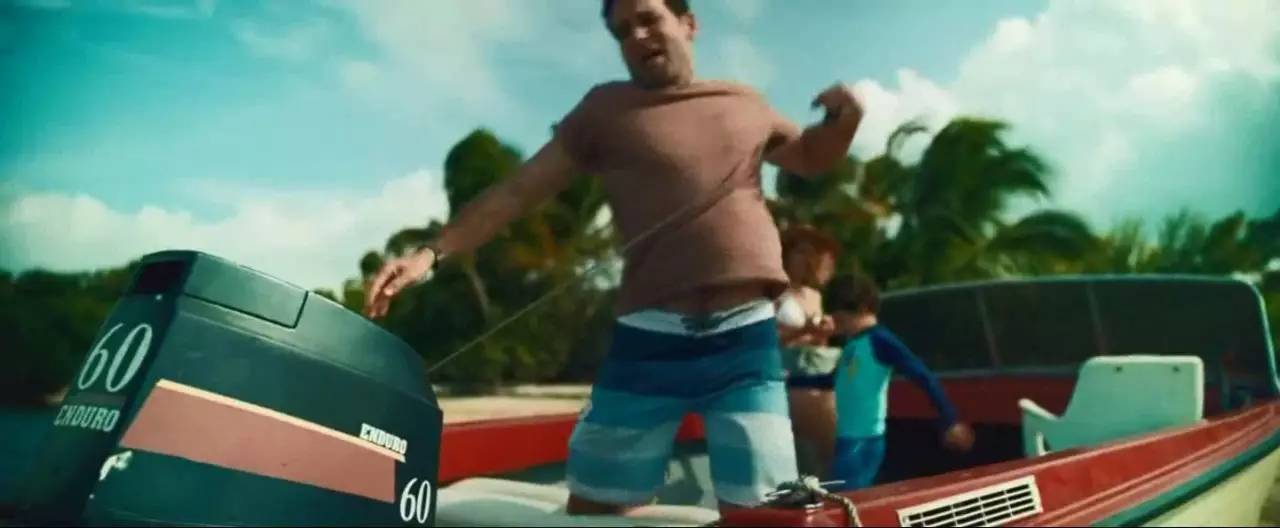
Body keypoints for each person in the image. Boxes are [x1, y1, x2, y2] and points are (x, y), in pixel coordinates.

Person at [364, 0, 864, 514]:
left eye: (649, 19)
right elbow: (517, 191)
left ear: (688, 24)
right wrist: (430, 254)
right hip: (647, 342)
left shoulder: (744, 101)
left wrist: (846, 120)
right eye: (623, 31)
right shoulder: (604, 111)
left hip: (746, 342)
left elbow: (812, 156)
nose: (637, 36)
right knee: (594, 510)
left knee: (763, 513)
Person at [824, 273, 975, 491]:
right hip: (846, 436)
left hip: (864, 438)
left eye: (842, 318)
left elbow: (922, 375)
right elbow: (832, 380)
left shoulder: (880, 340)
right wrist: (790, 380)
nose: (839, 324)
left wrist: (949, 419)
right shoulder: (852, 344)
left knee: (843, 496)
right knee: (844, 493)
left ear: (863, 308)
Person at [774, 225, 841, 479]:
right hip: (788, 376)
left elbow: (817, 342)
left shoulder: (814, 295)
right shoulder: (774, 293)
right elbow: (769, 339)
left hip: (818, 374)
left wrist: (823, 332)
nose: (805, 260)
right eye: (800, 252)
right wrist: (803, 330)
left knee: (826, 453)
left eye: (810, 253)